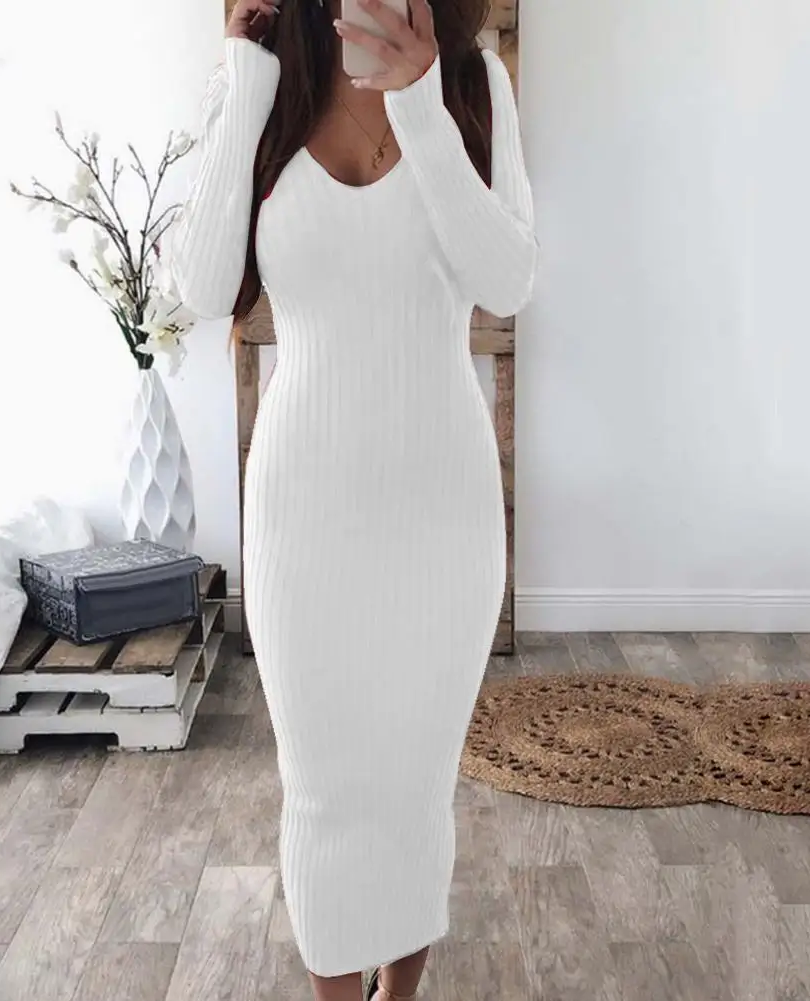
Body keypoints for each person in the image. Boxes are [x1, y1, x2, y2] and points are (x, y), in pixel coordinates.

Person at [168, 0, 536, 997]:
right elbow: (202, 286)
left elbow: (506, 281)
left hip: (443, 511)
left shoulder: (472, 83)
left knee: (414, 785)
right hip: (303, 513)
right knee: (324, 788)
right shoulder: (267, 77)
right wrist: (243, 81)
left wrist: (419, 103)